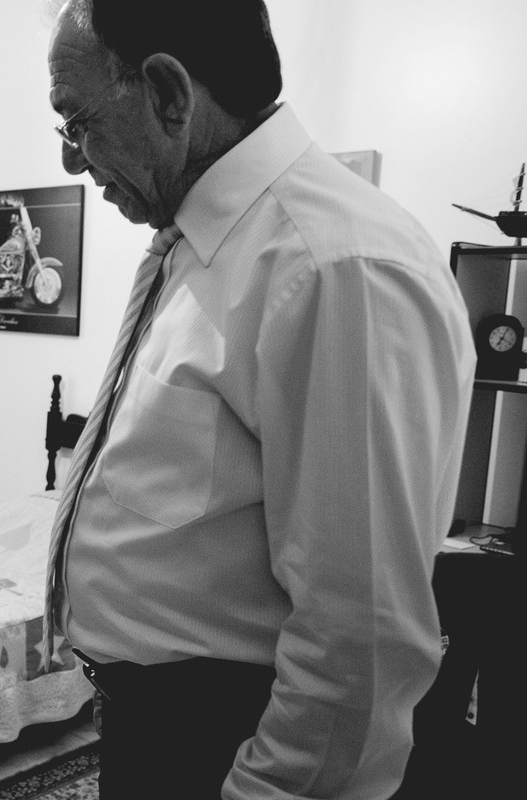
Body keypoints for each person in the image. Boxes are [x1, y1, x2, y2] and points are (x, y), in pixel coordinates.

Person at [44, 1, 476, 798]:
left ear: (169, 94)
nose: (73, 162)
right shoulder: (206, 245)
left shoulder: (332, 267)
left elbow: (361, 643)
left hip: (227, 744)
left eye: (77, 123)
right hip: (155, 729)